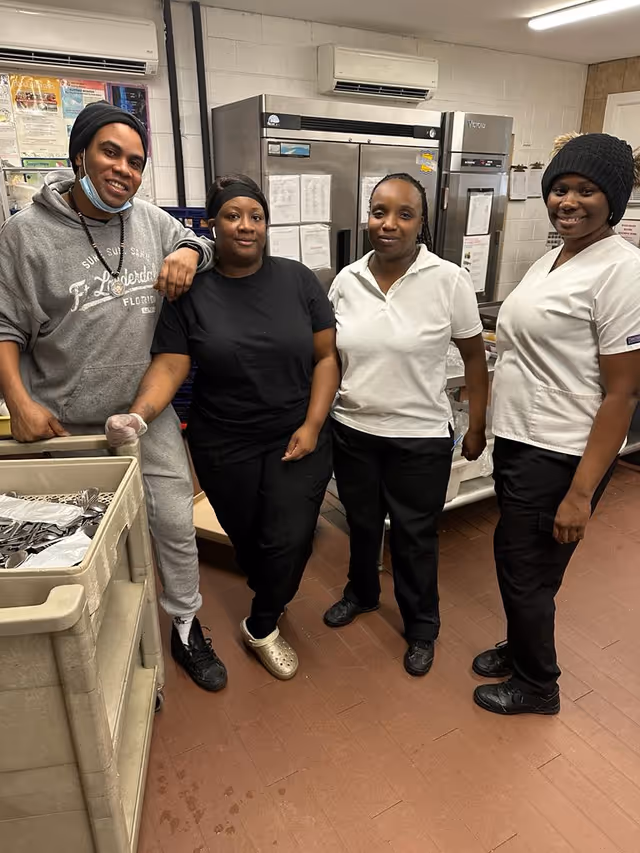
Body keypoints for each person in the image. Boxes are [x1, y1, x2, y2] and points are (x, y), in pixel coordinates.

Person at [0, 101, 228, 693]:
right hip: (66, 423)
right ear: (79, 156)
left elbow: (202, 244)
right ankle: (97, 641)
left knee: (173, 522)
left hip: (146, 416)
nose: (124, 169)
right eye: (110, 153)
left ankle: (185, 625)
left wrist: (188, 251)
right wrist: (20, 403)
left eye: (136, 161)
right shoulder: (24, 234)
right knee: (78, 540)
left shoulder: (151, 222)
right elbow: (5, 327)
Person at [106, 174, 340, 680]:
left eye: (256, 216)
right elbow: (172, 362)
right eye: (233, 216)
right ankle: (270, 585)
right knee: (250, 540)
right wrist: (140, 414)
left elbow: (326, 356)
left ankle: (262, 624)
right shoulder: (191, 292)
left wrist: (313, 423)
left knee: (291, 537)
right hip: (223, 442)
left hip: (296, 435)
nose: (246, 225)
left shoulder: (298, 280)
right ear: (212, 224)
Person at [473, 133, 640, 716]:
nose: (568, 201)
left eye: (586, 190)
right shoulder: (554, 257)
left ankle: (537, 685)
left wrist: (580, 494)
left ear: (612, 200)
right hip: (522, 440)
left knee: (525, 569)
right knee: (526, 563)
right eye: (560, 189)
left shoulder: (622, 272)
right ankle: (522, 643)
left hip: (562, 451)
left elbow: (622, 393)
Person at [323, 173, 489, 676]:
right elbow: (330, 359)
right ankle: (362, 593)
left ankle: (421, 626)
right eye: (379, 212)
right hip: (353, 430)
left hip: (419, 437)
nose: (388, 224)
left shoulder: (448, 279)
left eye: (404, 214)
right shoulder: (346, 280)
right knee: (362, 523)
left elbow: (474, 359)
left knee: (415, 536)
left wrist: (476, 426)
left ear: (421, 222)